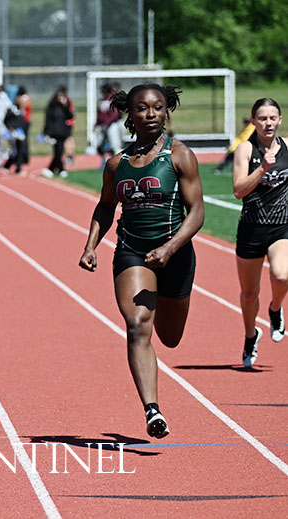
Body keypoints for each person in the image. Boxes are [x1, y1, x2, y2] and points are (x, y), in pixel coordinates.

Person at [79, 84, 204, 439]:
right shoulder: (116, 164)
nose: (150, 114)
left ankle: (167, 297)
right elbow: (106, 206)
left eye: (157, 107)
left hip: (175, 254)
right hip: (132, 252)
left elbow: (197, 212)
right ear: (130, 114)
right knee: (137, 324)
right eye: (142, 108)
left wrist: (170, 248)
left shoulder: (180, 156)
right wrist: (90, 246)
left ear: (166, 111)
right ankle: (153, 410)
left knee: (170, 337)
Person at [231, 98, 286, 368]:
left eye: (272, 118)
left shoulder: (287, 147)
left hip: (281, 226)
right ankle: (251, 335)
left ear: (280, 120)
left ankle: (275, 309)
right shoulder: (246, 149)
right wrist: (263, 168)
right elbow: (238, 190)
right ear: (253, 121)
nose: (268, 123)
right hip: (251, 227)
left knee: (282, 274)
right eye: (262, 118)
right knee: (250, 293)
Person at [43, 87, 73, 178]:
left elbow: (70, 116)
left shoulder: (64, 107)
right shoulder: (52, 108)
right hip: (54, 133)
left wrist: (65, 105)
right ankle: (60, 169)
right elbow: (48, 121)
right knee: (58, 151)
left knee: (59, 151)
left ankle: (51, 169)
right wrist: (46, 132)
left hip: (63, 132)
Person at [95, 83, 123, 163]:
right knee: (99, 145)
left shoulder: (112, 99)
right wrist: (97, 123)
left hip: (111, 125)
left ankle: (119, 163)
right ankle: (104, 160)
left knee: (115, 145)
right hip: (102, 126)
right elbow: (100, 113)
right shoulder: (103, 100)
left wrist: (107, 123)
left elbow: (114, 114)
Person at [10, 86, 31, 175]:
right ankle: (11, 164)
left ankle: (18, 165)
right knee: (16, 148)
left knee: (21, 146)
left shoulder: (24, 102)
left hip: (23, 126)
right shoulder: (13, 109)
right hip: (17, 128)